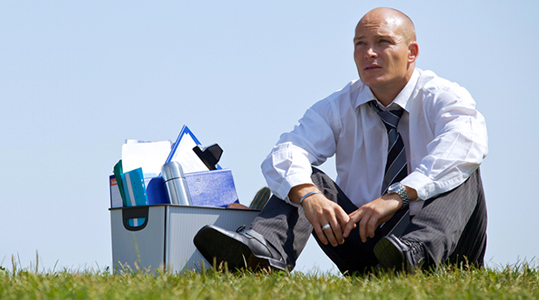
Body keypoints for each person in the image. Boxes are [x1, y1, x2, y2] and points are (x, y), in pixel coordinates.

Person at [192, 7, 489, 275]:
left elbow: (465, 146)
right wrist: (310, 196)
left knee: (460, 169)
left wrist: (396, 196)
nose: (369, 53)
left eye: (382, 42)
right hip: (366, 242)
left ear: (412, 52)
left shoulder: (443, 96)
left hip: (446, 248)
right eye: (360, 44)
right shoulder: (339, 105)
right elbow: (286, 152)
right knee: (302, 178)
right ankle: (263, 253)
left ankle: (415, 253)